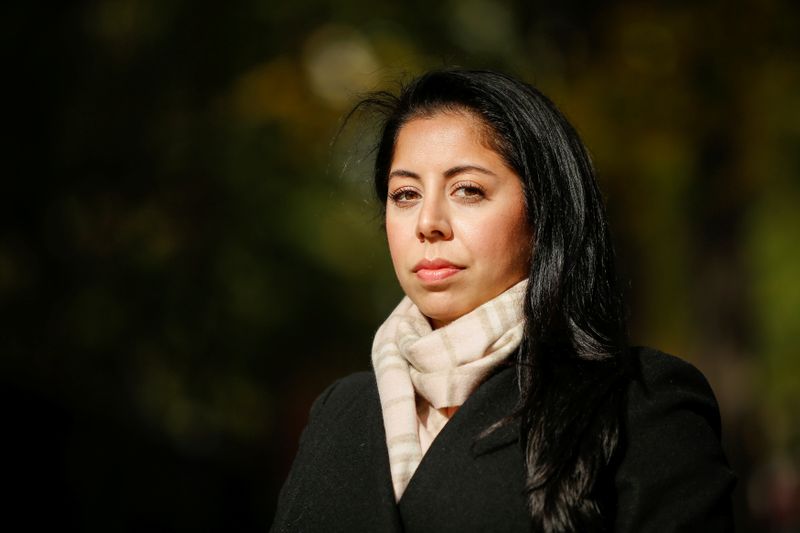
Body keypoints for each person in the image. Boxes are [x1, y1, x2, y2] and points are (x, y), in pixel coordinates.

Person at [271, 69, 736, 532]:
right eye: (405, 194)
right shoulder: (341, 412)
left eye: (468, 190)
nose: (428, 223)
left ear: (544, 212)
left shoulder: (642, 402)